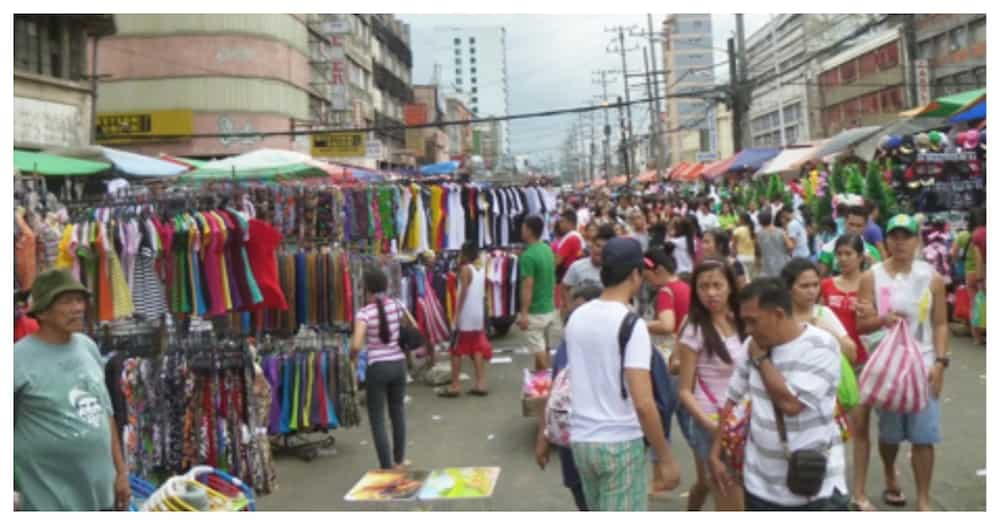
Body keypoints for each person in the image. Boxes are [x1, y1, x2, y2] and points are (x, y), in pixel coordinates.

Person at [710, 277, 848, 510]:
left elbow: (791, 404)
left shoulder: (821, 346)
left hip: (815, 487)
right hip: (759, 486)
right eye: (745, 322)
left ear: (778, 314)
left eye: (753, 321)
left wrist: (762, 359)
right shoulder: (752, 345)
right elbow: (732, 400)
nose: (748, 330)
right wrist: (716, 453)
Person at [565, 237, 681, 511]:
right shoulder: (631, 324)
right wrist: (664, 457)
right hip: (620, 444)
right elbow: (643, 402)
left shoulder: (577, 317)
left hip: (582, 441)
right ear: (635, 274)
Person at [856, 214, 950, 512]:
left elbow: (940, 325)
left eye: (906, 236)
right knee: (890, 434)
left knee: (924, 436)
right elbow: (862, 325)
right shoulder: (872, 276)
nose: (900, 242)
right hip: (888, 369)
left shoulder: (931, 278)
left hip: (922, 366)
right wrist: (883, 319)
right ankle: (889, 473)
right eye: (894, 235)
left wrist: (940, 363)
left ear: (916, 240)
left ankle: (923, 498)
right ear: (886, 240)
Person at [14, 269, 130, 511]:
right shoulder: (16, 360)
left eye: (80, 300)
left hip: (101, 496)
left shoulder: (88, 347)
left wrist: (121, 473)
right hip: (50, 501)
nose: (78, 308)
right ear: (43, 312)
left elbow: (105, 413)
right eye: (67, 301)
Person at [675, 259, 747, 511]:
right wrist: (713, 427)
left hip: (744, 423)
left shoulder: (743, 321)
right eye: (703, 287)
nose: (711, 293)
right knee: (731, 504)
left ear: (730, 287)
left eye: (717, 285)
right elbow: (684, 390)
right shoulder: (694, 329)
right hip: (712, 424)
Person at [535, 282, 605, 511]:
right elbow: (555, 391)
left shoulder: (618, 342)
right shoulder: (567, 344)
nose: (573, 316)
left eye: (580, 310)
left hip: (605, 444)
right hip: (572, 444)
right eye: (571, 310)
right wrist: (543, 436)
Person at [351, 267, 412, 470]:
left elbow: (357, 345)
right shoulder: (396, 305)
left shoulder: (364, 313)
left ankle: (386, 466)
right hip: (398, 364)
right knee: (398, 412)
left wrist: (352, 360)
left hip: (377, 368)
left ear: (366, 289)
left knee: (377, 418)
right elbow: (412, 325)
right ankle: (400, 460)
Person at [440, 242, 492, 398]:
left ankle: (455, 385)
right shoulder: (481, 268)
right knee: (477, 348)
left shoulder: (465, 270)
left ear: (466, 253)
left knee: (456, 349)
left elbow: (462, 294)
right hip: (477, 314)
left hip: (466, 315)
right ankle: (480, 383)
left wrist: (456, 314)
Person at [781, 258, 858, 363]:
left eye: (815, 285)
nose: (812, 291)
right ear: (788, 288)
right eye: (804, 286)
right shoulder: (779, 317)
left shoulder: (823, 314)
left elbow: (852, 354)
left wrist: (827, 333)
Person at [517, 215, 560, 372]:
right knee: (544, 345)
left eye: (523, 227)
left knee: (538, 348)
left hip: (536, 310)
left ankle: (550, 378)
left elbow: (527, 286)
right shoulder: (547, 249)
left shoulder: (528, 256)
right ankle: (542, 378)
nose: (521, 230)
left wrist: (524, 313)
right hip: (549, 306)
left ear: (529, 230)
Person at [561, 224, 614, 316]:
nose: (600, 250)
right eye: (598, 246)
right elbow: (565, 287)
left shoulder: (613, 270)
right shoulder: (577, 266)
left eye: (604, 248)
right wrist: (569, 307)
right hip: (580, 317)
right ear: (591, 246)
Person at [817, 205, 883, 277]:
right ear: (845, 223)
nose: (854, 229)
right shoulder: (828, 248)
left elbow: (880, 276)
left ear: (866, 226)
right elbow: (820, 277)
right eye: (851, 224)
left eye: (859, 226)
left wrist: (869, 259)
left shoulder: (872, 251)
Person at [756, 210, 792, 278]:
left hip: (767, 266)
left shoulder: (759, 235)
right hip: (782, 263)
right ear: (771, 219)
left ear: (760, 221)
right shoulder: (780, 231)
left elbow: (758, 252)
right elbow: (790, 246)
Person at [554, 210, 585, 283]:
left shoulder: (571, 238)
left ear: (569, 223)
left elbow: (556, 262)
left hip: (565, 278)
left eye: (562, 221)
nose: (559, 224)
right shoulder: (576, 236)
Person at [732, 212, 758, 281]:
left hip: (741, 256)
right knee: (752, 278)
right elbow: (756, 244)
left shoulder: (737, 230)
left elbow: (733, 245)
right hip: (752, 256)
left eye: (739, 219)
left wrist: (733, 255)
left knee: (745, 279)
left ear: (742, 220)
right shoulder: (753, 229)